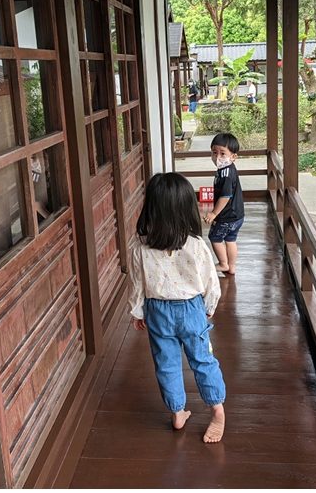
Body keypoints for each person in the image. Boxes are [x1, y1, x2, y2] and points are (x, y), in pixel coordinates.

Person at [128, 172, 226, 443]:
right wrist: (209, 308)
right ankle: (216, 409)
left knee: (166, 364)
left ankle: (178, 413)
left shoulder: (141, 246)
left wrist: (138, 312)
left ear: (151, 208)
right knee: (203, 360)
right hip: (191, 309)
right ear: (186, 209)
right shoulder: (196, 245)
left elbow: (137, 283)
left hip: (157, 310)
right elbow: (211, 282)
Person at [203, 133, 245, 275]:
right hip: (238, 216)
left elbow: (225, 196)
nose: (217, 157)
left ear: (233, 156)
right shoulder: (227, 169)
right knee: (230, 239)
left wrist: (214, 213)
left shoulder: (226, 174)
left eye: (222, 154)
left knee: (215, 238)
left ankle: (223, 264)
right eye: (214, 153)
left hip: (226, 216)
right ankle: (231, 266)